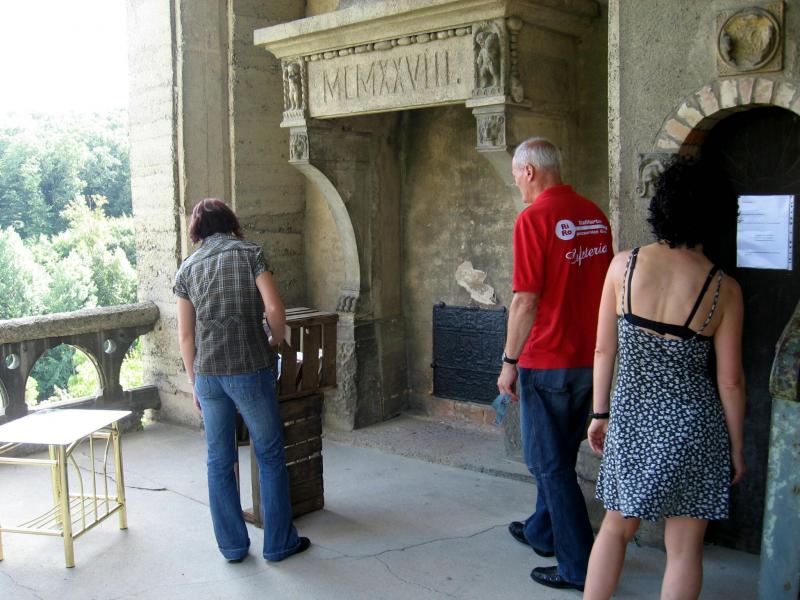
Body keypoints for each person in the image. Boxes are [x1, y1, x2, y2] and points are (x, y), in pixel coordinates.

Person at [584, 157, 746, 600]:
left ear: (663, 205)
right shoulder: (724, 289)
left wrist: (600, 413)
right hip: (695, 427)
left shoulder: (623, 266)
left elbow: (603, 350)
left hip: (632, 420)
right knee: (684, 550)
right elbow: (731, 382)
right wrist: (735, 447)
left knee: (614, 529)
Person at [497, 137, 613, 592]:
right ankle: (542, 530)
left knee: (548, 465)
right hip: (590, 361)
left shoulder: (533, 219)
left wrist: (509, 361)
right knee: (557, 456)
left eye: (516, 177)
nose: (517, 185)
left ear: (529, 171)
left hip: (547, 361)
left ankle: (578, 567)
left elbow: (525, 300)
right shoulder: (595, 216)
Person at [173, 198, 310, 563]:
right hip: (250, 367)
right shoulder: (251, 254)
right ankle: (279, 544)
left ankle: (232, 547)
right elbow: (275, 309)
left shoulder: (187, 268)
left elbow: (186, 336)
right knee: (269, 454)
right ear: (230, 221)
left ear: (197, 230)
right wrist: (275, 339)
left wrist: (194, 381)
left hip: (209, 375)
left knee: (219, 461)